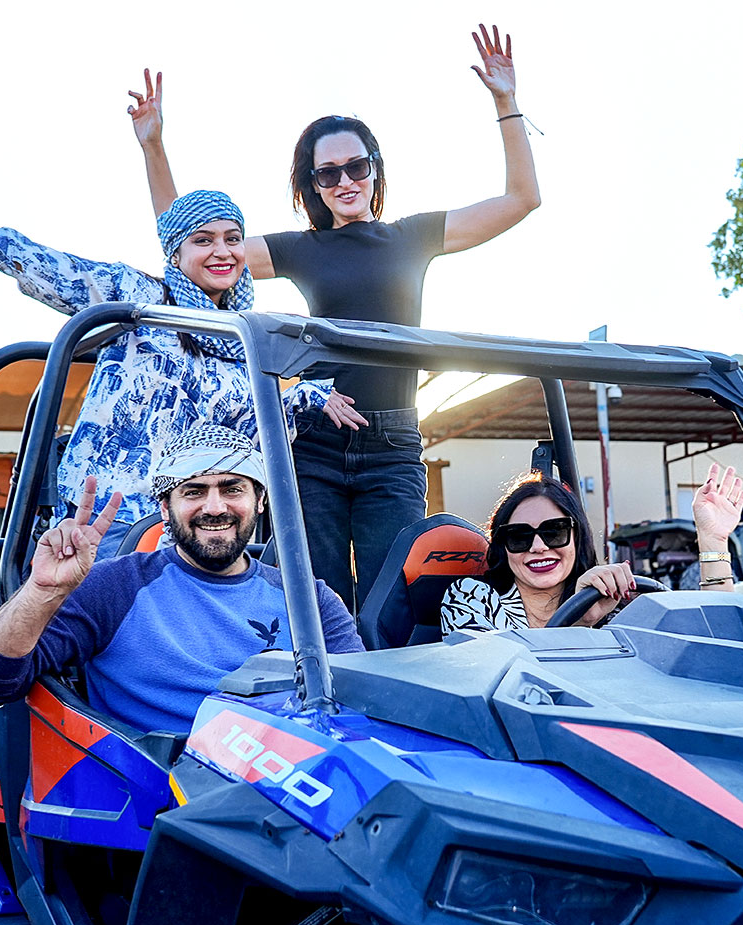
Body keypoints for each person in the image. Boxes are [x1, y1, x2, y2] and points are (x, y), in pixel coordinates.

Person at [130, 23, 540, 610]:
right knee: (314, 598)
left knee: (393, 601)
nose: (345, 181)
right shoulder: (302, 249)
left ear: (374, 169)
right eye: (328, 174)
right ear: (313, 185)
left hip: (391, 442)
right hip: (315, 443)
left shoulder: (413, 236)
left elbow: (520, 200)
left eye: (356, 167)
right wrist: (154, 147)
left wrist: (507, 103)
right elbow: (188, 248)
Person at [0, 168, 364, 556]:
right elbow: (48, 268)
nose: (222, 252)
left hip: (186, 522)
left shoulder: (246, 339)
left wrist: (308, 396)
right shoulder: (142, 298)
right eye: (203, 240)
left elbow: (241, 420)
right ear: (176, 253)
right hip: (106, 511)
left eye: (232, 239)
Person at [0, 427, 364, 734]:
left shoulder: (311, 599)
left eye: (232, 488)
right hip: (156, 802)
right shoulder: (113, 587)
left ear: (259, 501)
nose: (215, 507)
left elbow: (361, 708)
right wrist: (42, 591)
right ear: (165, 509)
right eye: (194, 491)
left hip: (290, 789)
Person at [440, 463, 743, 635]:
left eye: (554, 532)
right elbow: (494, 682)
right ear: (503, 545)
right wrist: (577, 620)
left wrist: (713, 540)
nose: (537, 546)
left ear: (577, 536)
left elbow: (717, 640)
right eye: (519, 536)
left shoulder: (613, 604)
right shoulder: (471, 598)